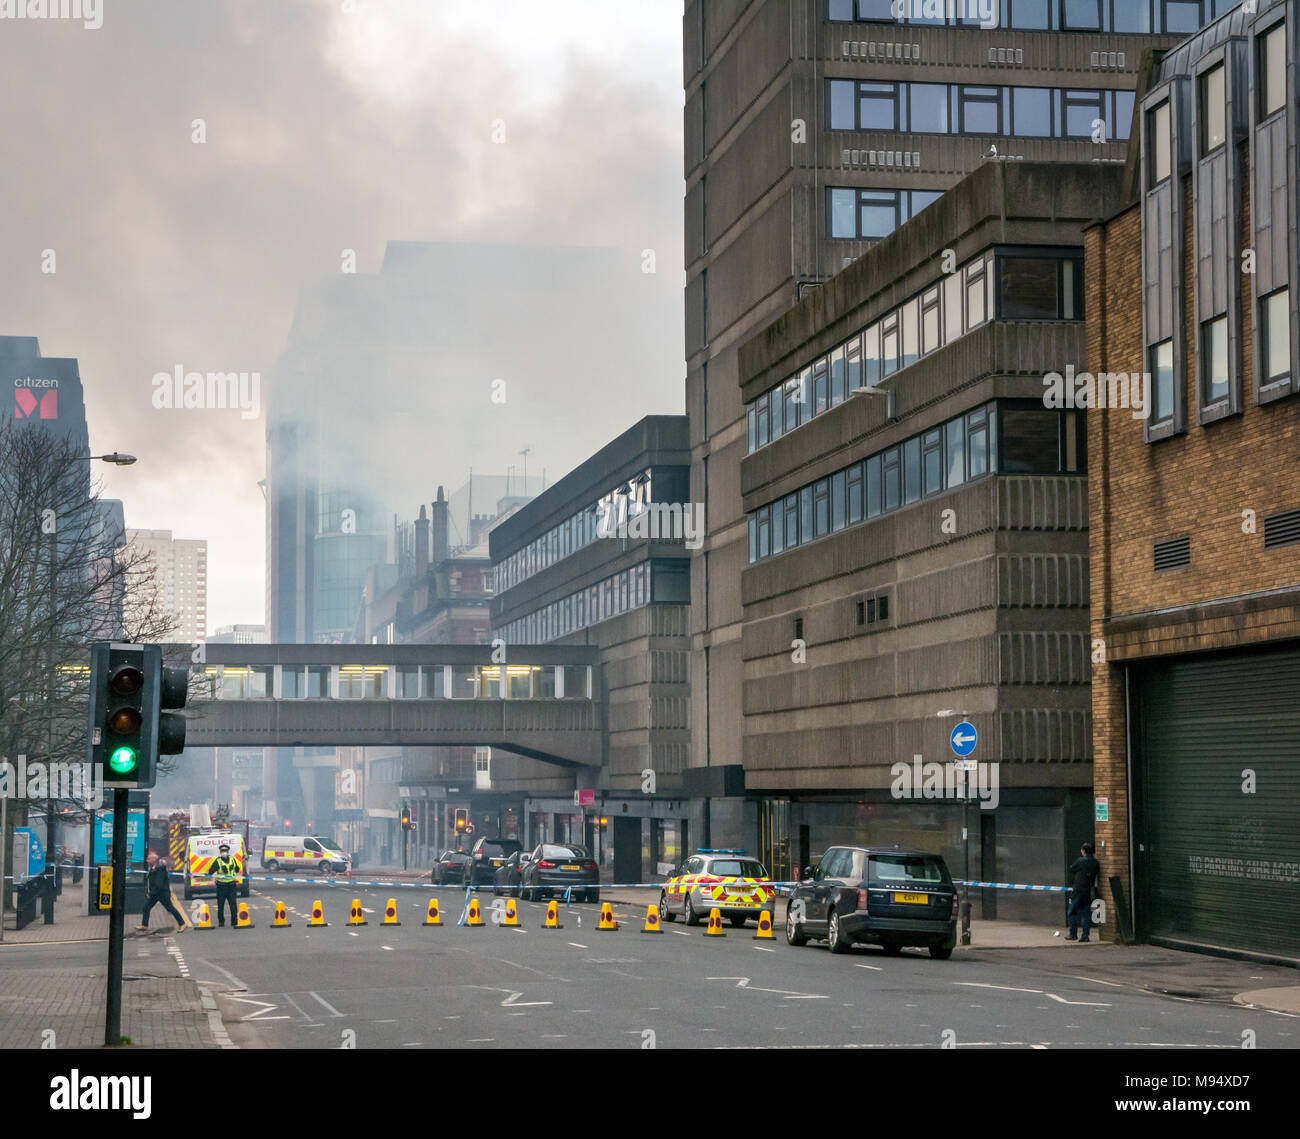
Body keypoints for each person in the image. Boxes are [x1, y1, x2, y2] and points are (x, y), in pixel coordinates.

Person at [137, 851, 189, 933]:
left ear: (154, 859)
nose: (147, 860)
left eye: (148, 859)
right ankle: (144, 925)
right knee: (146, 907)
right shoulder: (154, 867)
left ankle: (182, 924)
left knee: (170, 909)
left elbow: (159, 884)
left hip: (162, 894)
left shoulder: (159, 869)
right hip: (156, 894)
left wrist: (151, 893)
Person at [1066, 841, 1101, 942]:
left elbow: (1072, 869)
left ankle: (1073, 934)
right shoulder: (1095, 863)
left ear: (1084, 851)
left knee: (1071, 911)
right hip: (1088, 890)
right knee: (1086, 913)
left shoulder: (1081, 861)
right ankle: (1085, 935)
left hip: (1078, 889)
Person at [211, 843, 242, 928]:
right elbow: (210, 871)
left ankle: (234, 922)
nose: (224, 852)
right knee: (220, 905)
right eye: (222, 851)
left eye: (225, 851)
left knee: (233, 904)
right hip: (221, 886)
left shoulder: (232, 859)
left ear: (228, 852)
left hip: (231, 885)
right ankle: (221, 922)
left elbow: (237, 869)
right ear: (220, 852)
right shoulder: (218, 861)